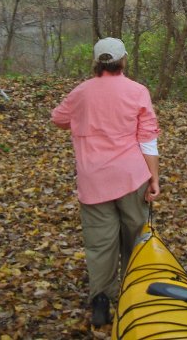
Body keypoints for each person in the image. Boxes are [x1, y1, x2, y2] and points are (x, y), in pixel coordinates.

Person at [50, 37, 160, 327]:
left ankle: (101, 298)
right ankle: (136, 292)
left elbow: (58, 119)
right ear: (123, 60)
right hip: (131, 176)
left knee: (100, 244)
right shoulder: (137, 91)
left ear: (97, 63)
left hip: (93, 179)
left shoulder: (80, 93)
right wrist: (154, 178)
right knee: (136, 237)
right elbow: (148, 139)